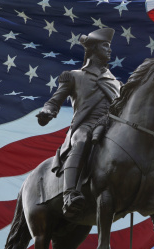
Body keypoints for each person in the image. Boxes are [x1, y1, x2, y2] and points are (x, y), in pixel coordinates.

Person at [36, 28, 121, 218]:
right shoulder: (74, 76)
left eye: (109, 46)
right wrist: (47, 112)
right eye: (105, 46)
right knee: (81, 140)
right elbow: (54, 101)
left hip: (113, 127)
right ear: (92, 49)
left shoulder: (117, 84)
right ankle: (69, 194)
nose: (109, 50)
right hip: (86, 125)